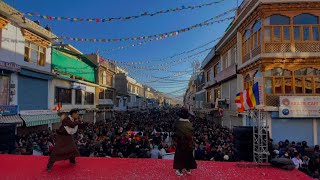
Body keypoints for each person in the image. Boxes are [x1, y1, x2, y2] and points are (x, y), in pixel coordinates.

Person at [173, 108, 197, 176]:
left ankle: (180, 170)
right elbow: (192, 132)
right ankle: (188, 169)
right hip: (188, 141)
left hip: (181, 141)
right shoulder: (190, 124)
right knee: (188, 154)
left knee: (180, 155)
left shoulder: (177, 123)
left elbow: (175, 132)